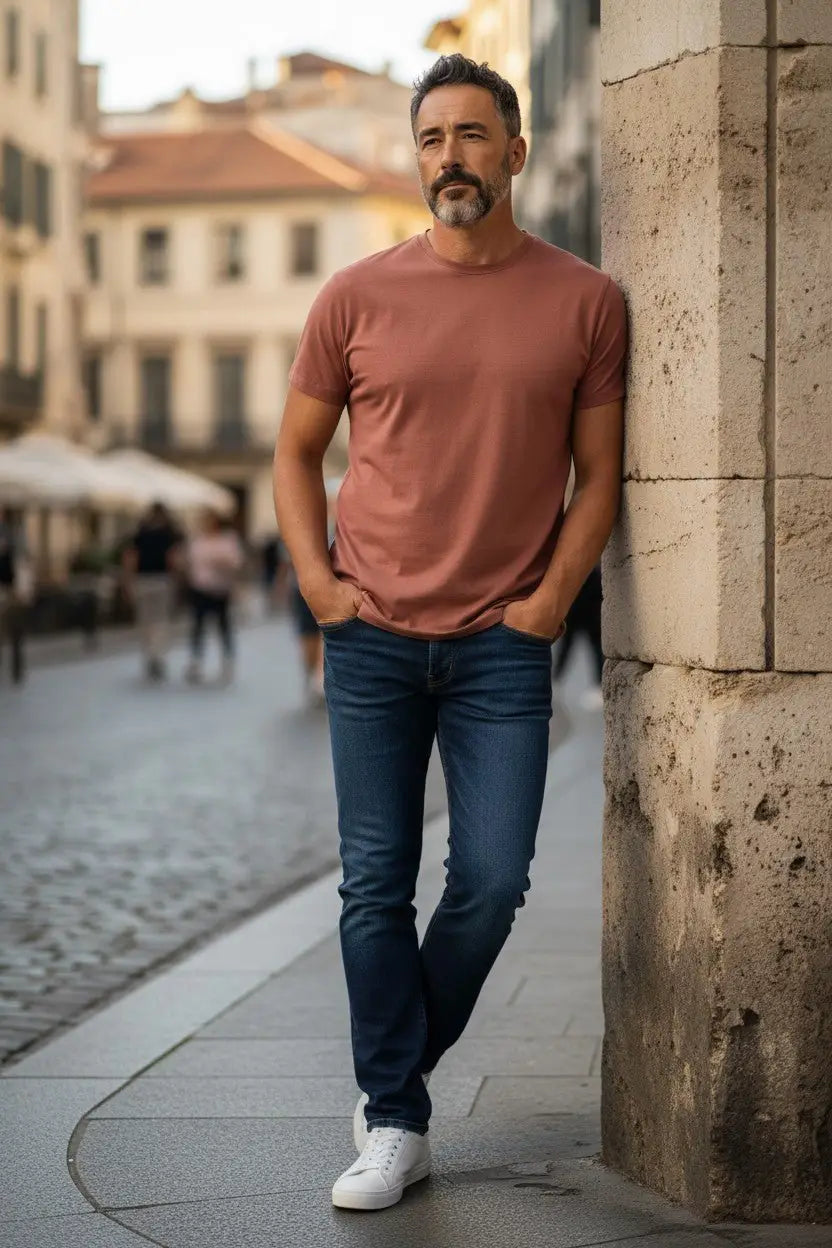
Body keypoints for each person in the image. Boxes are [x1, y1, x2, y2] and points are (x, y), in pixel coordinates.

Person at [274, 53, 627, 1212]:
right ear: (415, 156)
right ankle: (397, 1121)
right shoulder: (354, 297)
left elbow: (598, 476)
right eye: (432, 138)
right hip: (370, 636)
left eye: (473, 136)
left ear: (514, 153)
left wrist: (548, 603)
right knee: (374, 882)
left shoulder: (585, 301)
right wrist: (319, 586)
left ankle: (390, 1080)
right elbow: (295, 453)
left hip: (500, 647)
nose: (450, 158)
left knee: (489, 879)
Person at [122, 501, 182, 681]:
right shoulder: (169, 534)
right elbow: (173, 560)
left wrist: (128, 580)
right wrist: (178, 579)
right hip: (162, 580)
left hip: (143, 580)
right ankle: (157, 655)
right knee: (160, 620)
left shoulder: (140, 534)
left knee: (145, 620)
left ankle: (150, 655)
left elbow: (131, 559)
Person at [183, 510, 244, 685]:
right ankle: (196, 661)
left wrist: (220, 562)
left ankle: (227, 660)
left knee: (224, 625)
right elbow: (191, 562)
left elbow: (236, 562)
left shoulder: (227, 539)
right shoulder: (198, 541)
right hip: (200, 587)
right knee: (198, 625)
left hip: (220, 589)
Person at [553, 563, 605, 710]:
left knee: (595, 650)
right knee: (566, 649)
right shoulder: (583, 573)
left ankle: (598, 685)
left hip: (587, 617)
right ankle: (556, 680)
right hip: (575, 616)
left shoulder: (592, 574)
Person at [0, 508, 31, 685]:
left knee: (16, 632)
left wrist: (23, 590)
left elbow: (23, 565)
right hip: (8, 592)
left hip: (13, 593)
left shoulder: (15, 537)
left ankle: (17, 670)